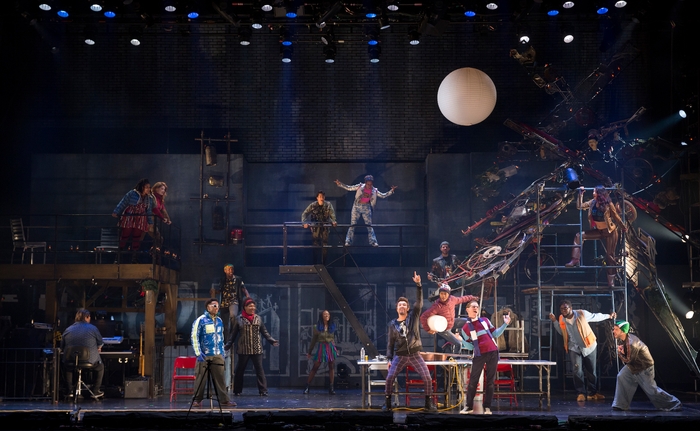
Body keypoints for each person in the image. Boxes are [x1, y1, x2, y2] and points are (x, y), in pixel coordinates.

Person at [384, 272, 437, 412]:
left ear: (407, 308)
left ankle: (428, 403)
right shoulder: (392, 324)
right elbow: (390, 343)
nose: (402, 306)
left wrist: (419, 285)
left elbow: (419, 303)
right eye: (400, 305)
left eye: (404, 305)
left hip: (414, 354)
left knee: (427, 378)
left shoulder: (413, 317)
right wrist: (389, 358)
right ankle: (387, 404)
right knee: (389, 378)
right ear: (397, 308)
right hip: (400, 355)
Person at [548, 300, 616, 402]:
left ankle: (592, 393)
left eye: (565, 308)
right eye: (561, 309)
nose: (563, 311)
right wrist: (554, 321)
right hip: (574, 347)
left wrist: (609, 316)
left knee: (591, 370)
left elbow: (595, 316)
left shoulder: (581, 314)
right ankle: (580, 393)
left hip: (588, 346)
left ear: (571, 308)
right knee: (577, 370)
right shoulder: (562, 318)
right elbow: (562, 332)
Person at [611, 321, 682, 411]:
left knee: (651, 390)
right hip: (634, 365)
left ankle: (674, 403)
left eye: (616, 329)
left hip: (644, 367)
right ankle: (620, 404)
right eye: (614, 329)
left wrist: (619, 353)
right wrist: (623, 351)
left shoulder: (632, 343)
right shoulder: (625, 339)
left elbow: (628, 360)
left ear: (623, 331)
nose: (613, 331)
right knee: (622, 376)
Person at [565, 185, 626, 287]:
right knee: (579, 236)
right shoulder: (592, 202)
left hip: (610, 231)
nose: (593, 192)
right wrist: (580, 194)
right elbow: (580, 206)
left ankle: (611, 280)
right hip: (599, 231)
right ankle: (575, 259)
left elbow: (616, 216)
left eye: (594, 191)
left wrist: (623, 227)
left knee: (610, 256)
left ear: (599, 193)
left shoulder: (608, 204)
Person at [460, 300, 511, 415]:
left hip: (492, 352)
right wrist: (461, 341)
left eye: (477, 307)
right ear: (467, 309)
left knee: (490, 382)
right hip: (479, 354)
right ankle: (468, 406)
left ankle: (487, 406)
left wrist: (505, 324)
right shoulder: (466, 328)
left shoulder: (485, 320)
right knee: (473, 381)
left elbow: (495, 334)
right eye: (473, 306)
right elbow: (470, 346)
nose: (476, 308)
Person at [227, 298, 279, 396]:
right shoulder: (239, 319)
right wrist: (228, 345)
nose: (253, 308)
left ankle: (263, 390)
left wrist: (272, 341)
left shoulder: (258, 318)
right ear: (245, 307)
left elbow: (264, 332)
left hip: (256, 348)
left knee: (260, 370)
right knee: (240, 370)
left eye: (253, 306)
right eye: (250, 306)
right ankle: (237, 390)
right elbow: (233, 334)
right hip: (244, 349)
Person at [190, 299, 236, 408]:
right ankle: (197, 400)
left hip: (217, 354)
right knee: (201, 378)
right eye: (214, 305)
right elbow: (194, 336)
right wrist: (198, 353)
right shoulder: (201, 320)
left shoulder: (219, 320)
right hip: (204, 354)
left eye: (217, 306)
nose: (216, 308)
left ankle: (224, 400)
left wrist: (222, 352)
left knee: (220, 378)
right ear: (208, 307)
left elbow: (221, 337)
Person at [335, 175, 397, 247]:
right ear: (365, 183)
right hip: (357, 206)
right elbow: (349, 188)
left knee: (369, 225)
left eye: (370, 184)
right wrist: (340, 184)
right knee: (353, 225)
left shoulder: (374, 190)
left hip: (366, 207)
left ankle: (373, 241)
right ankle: (348, 241)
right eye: (368, 184)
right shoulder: (360, 186)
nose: (369, 186)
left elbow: (383, 195)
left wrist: (391, 191)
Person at [420, 283, 477, 353]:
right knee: (458, 344)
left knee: (469, 321)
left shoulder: (452, 299)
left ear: (449, 294)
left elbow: (462, 299)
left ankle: (474, 339)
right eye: (441, 294)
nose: (443, 296)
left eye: (445, 294)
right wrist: (428, 329)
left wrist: (472, 297)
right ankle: (455, 359)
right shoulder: (437, 306)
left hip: (451, 322)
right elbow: (423, 316)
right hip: (443, 329)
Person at [61, 309, 105, 398]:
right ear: (87, 317)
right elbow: (100, 343)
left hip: (71, 360)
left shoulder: (68, 329)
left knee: (68, 368)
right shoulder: (93, 328)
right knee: (100, 367)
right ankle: (95, 391)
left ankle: (69, 391)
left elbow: (62, 346)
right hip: (89, 360)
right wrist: (98, 347)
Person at [112, 178, 154, 263]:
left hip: (141, 218)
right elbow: (123, 202)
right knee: (124, 236)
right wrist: (116, 211)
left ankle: (134, 258)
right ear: (142, 187)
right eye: (147, 187)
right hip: (130, 216)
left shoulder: (149, 198)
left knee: (137, 238)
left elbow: (148, 211)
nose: (148, 189)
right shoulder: (132, 193)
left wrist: (150, 222)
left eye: (149, 187)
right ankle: (118, 257)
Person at [303, 310, 338, 395]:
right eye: (325, 314)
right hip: (322, 347)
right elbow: (314, 340)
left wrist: (334, 348)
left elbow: (333, 338)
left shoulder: (332, 326)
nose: (327, 315)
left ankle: (331, 387)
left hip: (330, 347)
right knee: (315, 367)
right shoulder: (317, 327)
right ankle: (307, 386)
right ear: (322, 316)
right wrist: (309, 351)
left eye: (328, 314)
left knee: (331, 366)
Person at [301, 191, 337, 263]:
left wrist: (334, 221)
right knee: (315, 245)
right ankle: (315, 263)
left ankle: (324, 264)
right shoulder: (313, 205)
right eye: (320, 197)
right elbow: (304, 213)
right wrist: (304, 223)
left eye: (323, 197)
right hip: (315, 227)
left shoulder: (328, 205)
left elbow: (332, 214)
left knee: (325, 245)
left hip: (325, 227)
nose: (321, 198)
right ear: (317, 198)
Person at [210, 264, 250, 329]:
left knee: (233, 316)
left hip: (234, 301)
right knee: (223, 320)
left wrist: (248, 297)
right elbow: (220, 290)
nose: (231, 271)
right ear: (225, 271)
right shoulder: (223, 280)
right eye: (229, 269)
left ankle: (233, 332)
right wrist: (214, 292)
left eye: (232, 269)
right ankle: (225, 334)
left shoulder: (238, 279)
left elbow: (244, 289)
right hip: (224, 302)